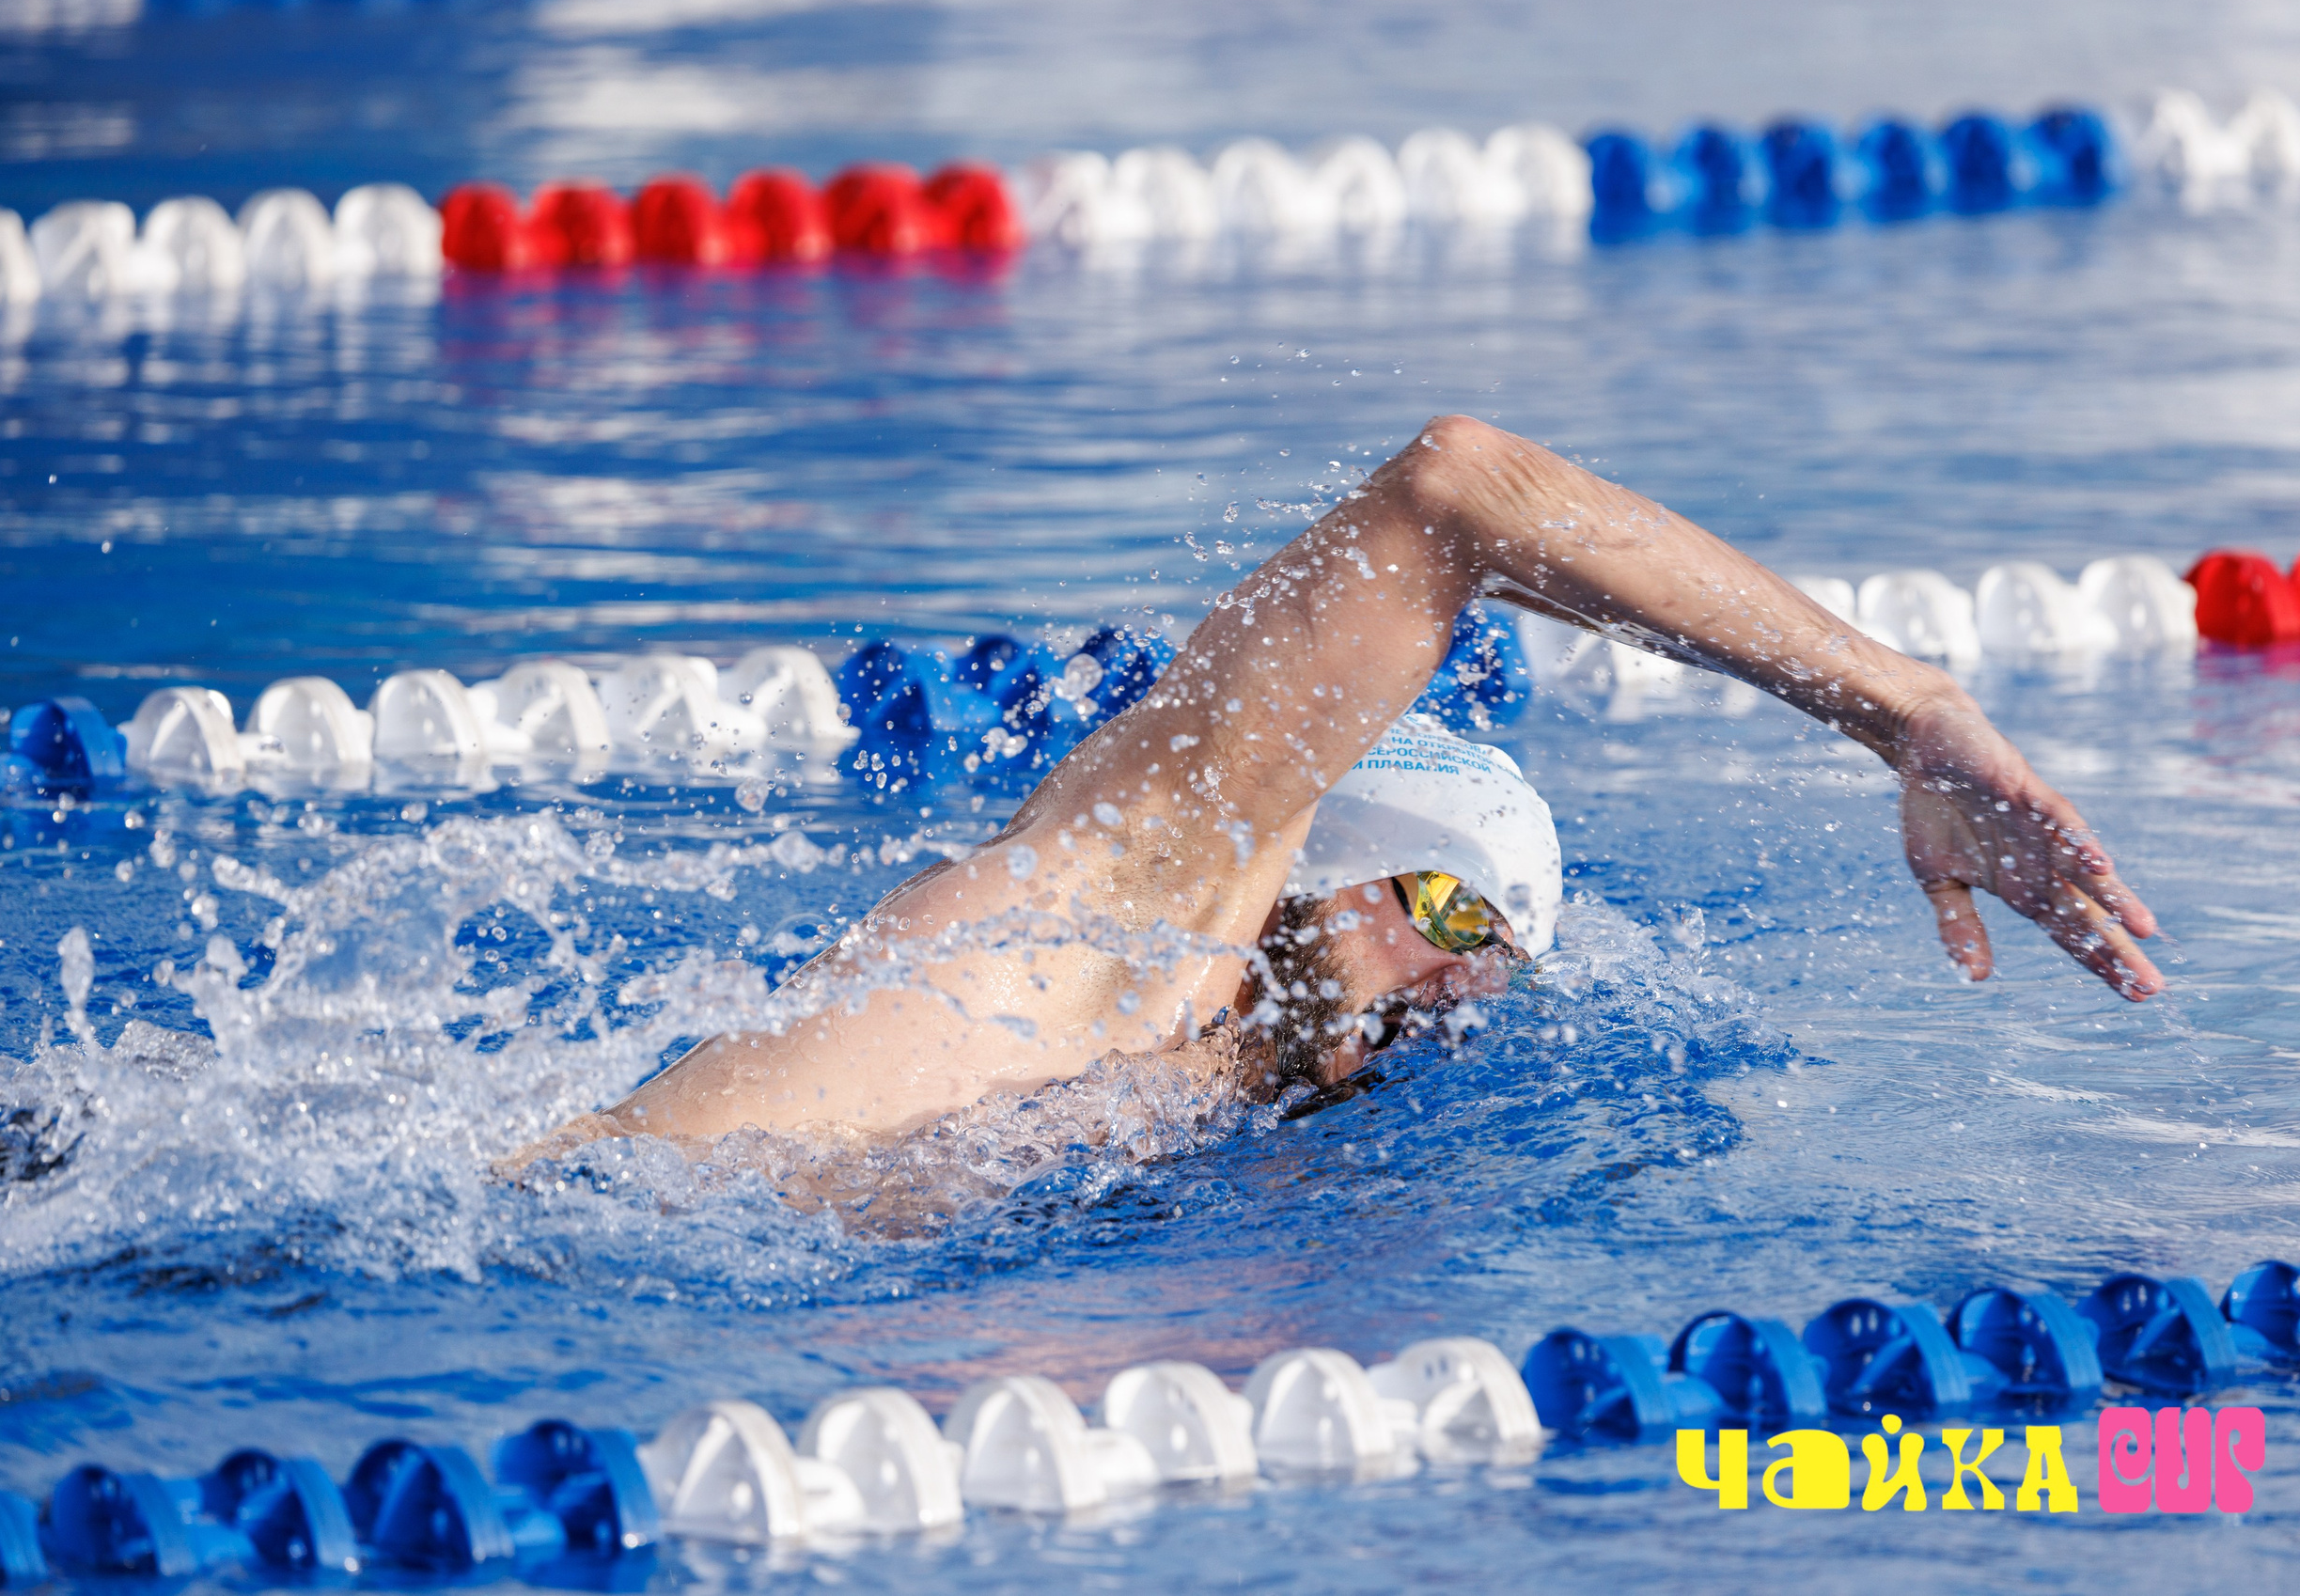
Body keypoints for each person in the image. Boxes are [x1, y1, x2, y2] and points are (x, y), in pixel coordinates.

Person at [507, 415, 2161, 1165]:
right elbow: (1460, 488)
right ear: (1316, 854)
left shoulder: (1196, 1093)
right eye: (1449, 912)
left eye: (1497, 962)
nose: (1459, 988)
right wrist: (1907, 710)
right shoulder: (1138, 901)